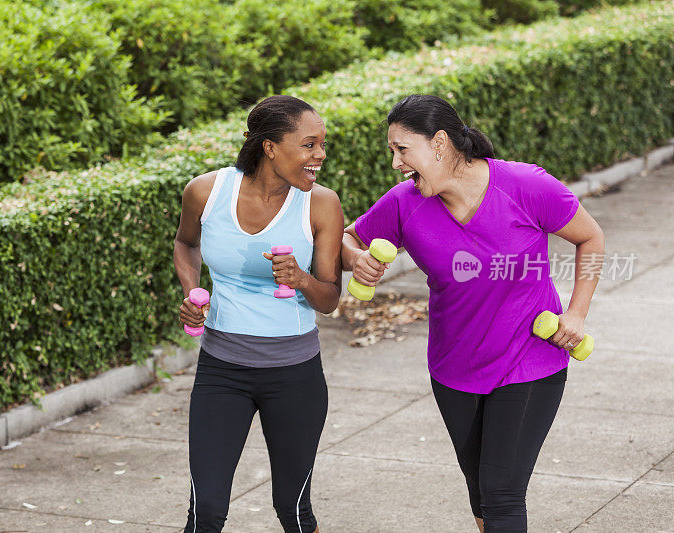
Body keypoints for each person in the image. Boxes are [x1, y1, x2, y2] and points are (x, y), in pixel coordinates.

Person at [341, 94, 605, 532]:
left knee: (502, 496)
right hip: (453, 369)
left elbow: (592, 239)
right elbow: (349, 239)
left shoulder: (525, 186)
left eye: (402, 150)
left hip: (529, 362)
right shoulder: (405, 203)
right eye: (392, 151)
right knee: (482, 497)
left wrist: (576, 314)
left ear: (440, 143)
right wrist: (357, 261)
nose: (395, 163)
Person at [173, 95, 344, 532]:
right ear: (270, 147)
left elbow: (329, 299)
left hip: (295, 377)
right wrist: (194, 292)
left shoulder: (321, 204)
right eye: (309, 145)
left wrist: (301, 279)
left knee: (293, 508)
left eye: (322, 145)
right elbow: (185, 243)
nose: (320, 155)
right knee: (205, 511)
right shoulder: (206, 192)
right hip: (221, 372)